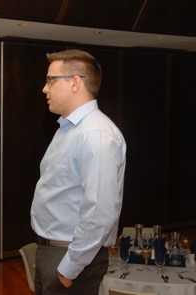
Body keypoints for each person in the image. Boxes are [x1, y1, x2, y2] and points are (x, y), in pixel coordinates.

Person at [30, 49, 126, 295]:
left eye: (51, 80)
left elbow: (100, 212)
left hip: (70, 256)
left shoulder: (95, 134)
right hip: (53, 251)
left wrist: (68, 269)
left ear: (75, 82)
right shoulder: (69, 128)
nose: (45, 88)